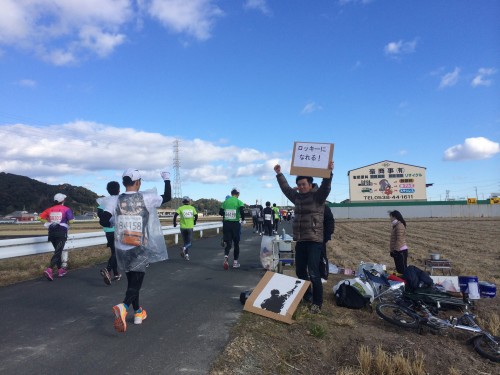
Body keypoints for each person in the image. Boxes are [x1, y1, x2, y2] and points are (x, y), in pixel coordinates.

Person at [99, 168, 171, 333]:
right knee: (136, 283)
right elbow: (167, 197)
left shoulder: (114, 200)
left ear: (124, 183)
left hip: (121, 247)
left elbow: (104, 220)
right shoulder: (146, 197)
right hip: (138, 247)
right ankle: (123, 307)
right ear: (138, 182)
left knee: (132, 282)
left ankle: (138, 313)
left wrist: (116, 220)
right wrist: (166, 179)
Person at [274, 161, 333, 314]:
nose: (300, 187)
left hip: (314, 240)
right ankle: (307, 295)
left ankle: (317, 303)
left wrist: (329, 172)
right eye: (299, 185)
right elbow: (286, 189)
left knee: (314, 272)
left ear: (310, 184)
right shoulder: (297, 197)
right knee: (300, 270)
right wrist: (279, 174)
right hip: (300, 240)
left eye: (303, 184)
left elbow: (326, 186)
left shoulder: (318, 197)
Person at [40, 193, 75, 281]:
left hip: (51, 233)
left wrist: (48, 223)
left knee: (57, 251)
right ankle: (49, 269)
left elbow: (40, 218)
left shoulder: (49, 209)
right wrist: (67, 223)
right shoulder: (66, 209)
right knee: (58, 252)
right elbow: (71, 221)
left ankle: (60, 270)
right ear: (63, 200)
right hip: (61, 233)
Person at [97, 181, 121, 285]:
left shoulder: (104, 201)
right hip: (118, 229)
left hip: (108, 230)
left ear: (107, 190)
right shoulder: (121, 200)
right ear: (119, 189)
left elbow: (100, 214)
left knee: (113, 252)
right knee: (117, 252)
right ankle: (108, 269)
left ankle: (115, 273)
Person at [219, 187, 245, 270]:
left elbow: (220, 212)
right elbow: (242, 211)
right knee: (236, 244)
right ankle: (235, 262)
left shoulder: (225, 202)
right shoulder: (239, 201)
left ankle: (226, 257)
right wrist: (243, 219)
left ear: (231, 193)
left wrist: (226, 213)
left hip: (226, 224)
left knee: (228, 243)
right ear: (238, 194)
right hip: (235, 224)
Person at [173, 196, 198, 261]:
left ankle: (186, 255)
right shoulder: (192, 208)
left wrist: (174, 223)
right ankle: (184, 249)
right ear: (189, 201)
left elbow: (175, 215)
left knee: (185, 242)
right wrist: (194, 221)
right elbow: (196, 215)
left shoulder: (180, 208)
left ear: (183, 201)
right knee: (189, 243)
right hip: (190, 227)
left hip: (183, 227)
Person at [389, 210, 408, 274]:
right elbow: (393, 240)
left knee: (402, 270)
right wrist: (392, 251)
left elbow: (399, 239)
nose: (390, 218)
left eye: (391, 217)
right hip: (397, 251)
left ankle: (407, 282)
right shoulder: (395, 226)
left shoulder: (399, 225)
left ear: (395, 217)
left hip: (401, 251)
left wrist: (395, 251)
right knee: (399, 270)